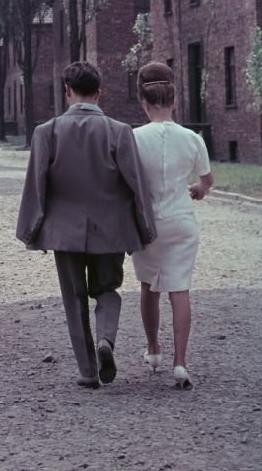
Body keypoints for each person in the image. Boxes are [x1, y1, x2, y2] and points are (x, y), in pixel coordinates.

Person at [16, 61, 156, 389]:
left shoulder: (46, 132)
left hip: (64, 232)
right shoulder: (119, 131)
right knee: (107, 289)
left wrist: (31, 230)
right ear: (100, 93)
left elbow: (36, 184)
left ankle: (88, 371)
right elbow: (137, 183)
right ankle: (106, 340)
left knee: (74, 298)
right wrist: (145, 228)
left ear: (67, 92)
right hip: (111, 229)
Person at [131, 61, 214, 390]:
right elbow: (207, 179)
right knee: (180, 290)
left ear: (145, 104)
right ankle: (181, 363)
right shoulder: (192, 138)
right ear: (174, 103)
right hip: (181, 220)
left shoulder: (134, 138)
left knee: (149, 287)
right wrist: (198, 190)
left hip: (148, 222)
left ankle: (153, 350)